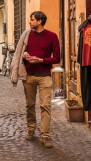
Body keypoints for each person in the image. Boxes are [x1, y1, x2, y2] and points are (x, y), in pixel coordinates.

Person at [10, 11, 60, 148]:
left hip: (45, 76)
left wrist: (41, 60)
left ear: (39, 21)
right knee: (30, 105)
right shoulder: (27, 35)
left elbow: (57, 58)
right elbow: (21, 52)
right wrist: (25, 55)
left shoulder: (52, 36)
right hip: (29, 75)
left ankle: (45, 135)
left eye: (32, 20)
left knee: (45, 106)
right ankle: (31, 129)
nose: (29, 22)